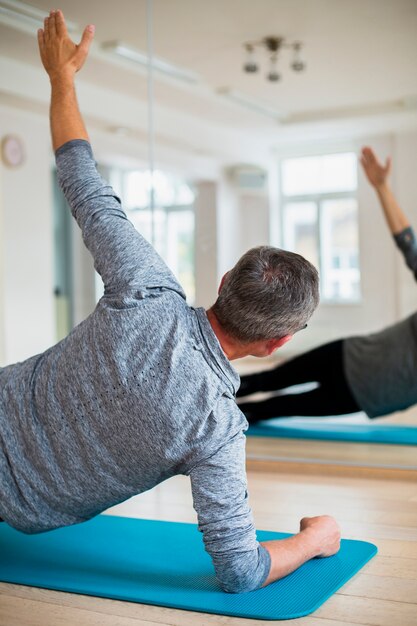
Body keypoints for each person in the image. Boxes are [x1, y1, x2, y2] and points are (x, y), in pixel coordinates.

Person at [0, 10, 341, 594]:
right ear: (276, 343)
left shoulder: (145, 290)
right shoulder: (216, 427)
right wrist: (317, 539)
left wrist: (61, 80)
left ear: (226, 278)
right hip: (23, 509)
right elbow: (239, 571)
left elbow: (82, 178)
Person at [238, 147, 417, 423]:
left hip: (371, 392)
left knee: (269, 409)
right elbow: (408, 243)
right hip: (351, 355)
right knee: (264, 380)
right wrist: (381, 187)